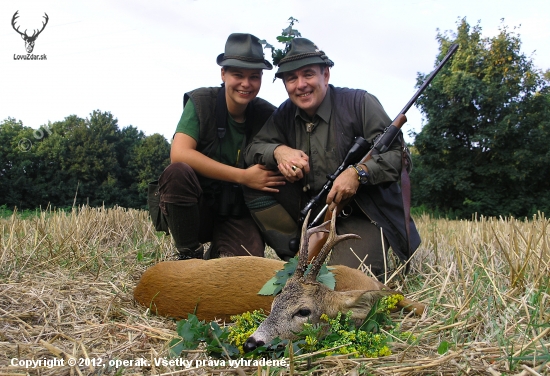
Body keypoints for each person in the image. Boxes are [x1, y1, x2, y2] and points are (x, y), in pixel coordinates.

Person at [243, 38, 421, 276]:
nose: (301, 85)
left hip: (362, 217)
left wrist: (359, 173)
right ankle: (294, 256)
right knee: (254, 182)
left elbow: (399, 156)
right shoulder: (284, 113)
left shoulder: (360, 103)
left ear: (325, 75)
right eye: (291, 78)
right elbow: (253, 149)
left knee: (342, 282)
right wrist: (278, 152)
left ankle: (319, 259)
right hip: (312, 214)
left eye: (308, 74)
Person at [157, 33, 285, 260]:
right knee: (177, 173)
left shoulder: (268, 114)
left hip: (238, 213)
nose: (246, 84)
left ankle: (217, 255)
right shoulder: (202, 102)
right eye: (238, 75)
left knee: (246, 272)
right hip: (199, 208)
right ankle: (189, 254)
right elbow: (179, 154)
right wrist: (244, 177)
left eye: (254, 77)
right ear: (223, 73)